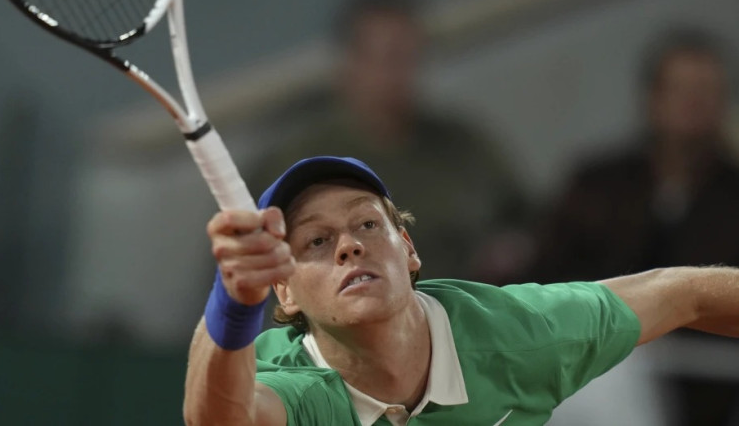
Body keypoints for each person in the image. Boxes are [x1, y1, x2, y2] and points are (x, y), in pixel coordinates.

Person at [183, 155, 739, 426]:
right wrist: (234, 299)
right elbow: (221, 420)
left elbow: (684, 293)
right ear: (284, 294)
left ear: (408, 250)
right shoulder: (296, 389)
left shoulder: (517, 336)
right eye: (317, 241)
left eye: (367, 224)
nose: (349, 246)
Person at [245, 0, 531, 285]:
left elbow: (522, 215)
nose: (397, 74)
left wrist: (510, 246)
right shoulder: (299, 161)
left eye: (410, 57)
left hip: (465, 299)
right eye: (387, 57)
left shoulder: (460, 143)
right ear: (351, 63)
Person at [530, 27, 739, 425]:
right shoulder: (597, 184)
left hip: (711, 371)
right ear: (652, 98)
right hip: (607, 355)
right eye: (681, 89)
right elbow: (545, 276)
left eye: (707, 91)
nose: (694, 103)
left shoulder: (733, 196)